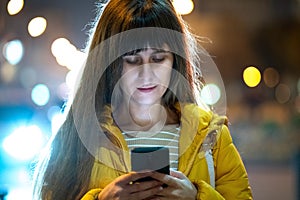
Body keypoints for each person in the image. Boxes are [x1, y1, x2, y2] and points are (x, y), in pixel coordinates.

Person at [33, 0, 253, 199]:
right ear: (109, 64)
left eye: (158, 58)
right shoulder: (78, 138)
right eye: (132, 60)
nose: (146, 74)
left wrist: (197, 197)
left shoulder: (211, 136)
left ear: (174, 60)